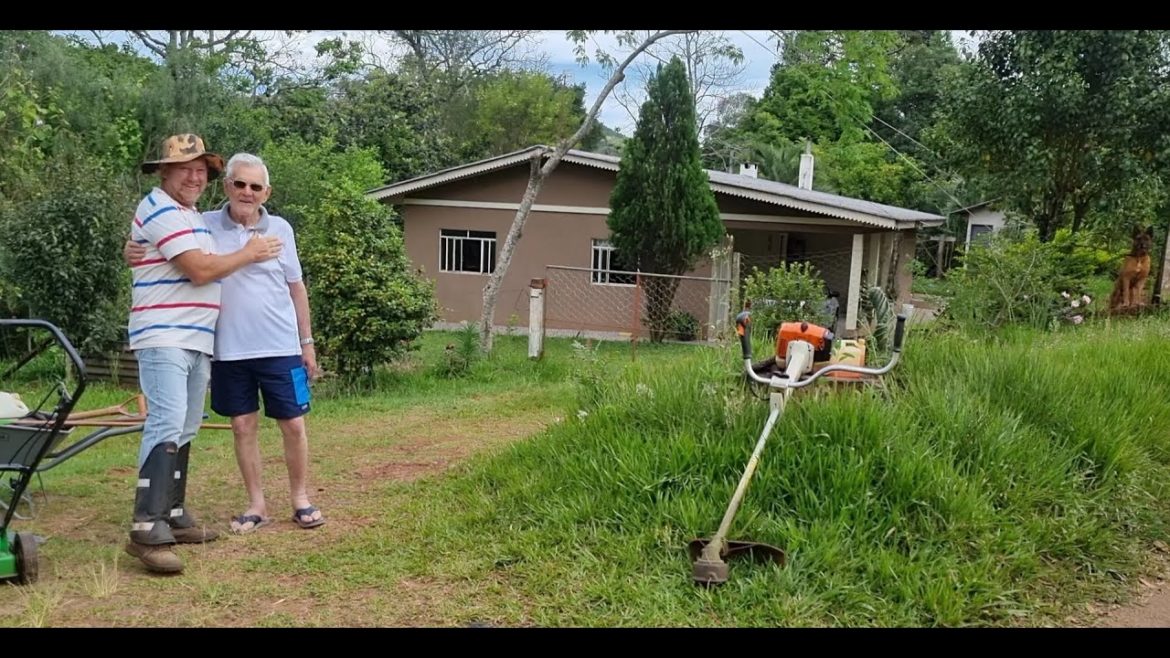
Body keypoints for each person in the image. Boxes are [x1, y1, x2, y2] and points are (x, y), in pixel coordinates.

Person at [125, 152, 325, 538]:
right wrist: (131, 247)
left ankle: (300, 498)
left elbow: (296, 288)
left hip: (280, 346)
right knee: (241, 426)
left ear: (266, 192)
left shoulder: (281, 229)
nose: (246, 193)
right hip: (227, 348)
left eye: (255, 186)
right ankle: (256, 505)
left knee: (294, 425)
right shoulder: (204, 223)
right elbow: (164, 242)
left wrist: (307, 341)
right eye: (239, 184)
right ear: (226, 186)